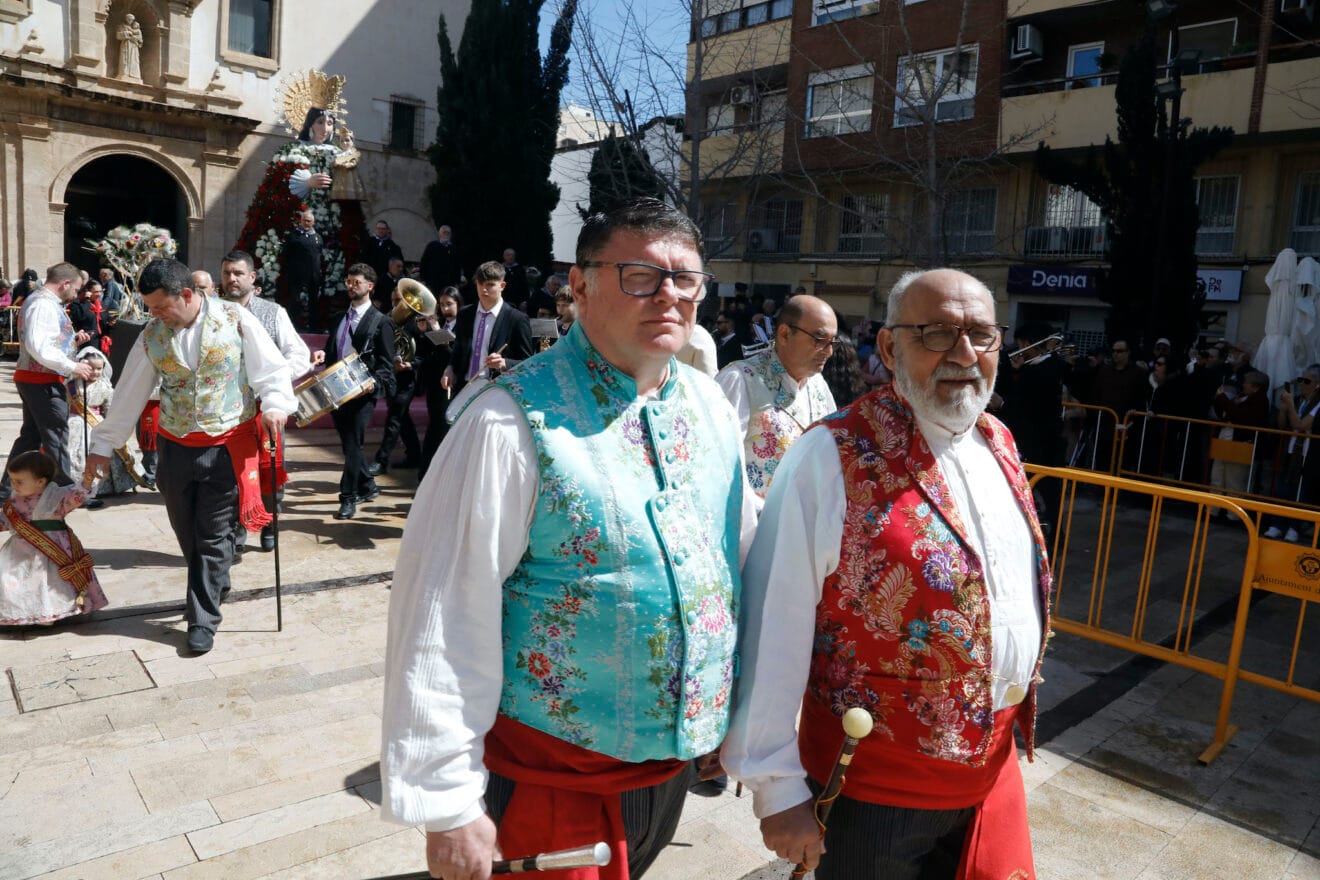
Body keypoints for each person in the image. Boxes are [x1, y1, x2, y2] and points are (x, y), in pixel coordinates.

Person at [381, 198, 756, 880]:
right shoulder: (507, 422)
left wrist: (734, 715)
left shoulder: (713, 410)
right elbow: (441, 612)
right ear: (579, 286)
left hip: (670, 773)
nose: (669, 294)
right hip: (549, 777)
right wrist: (447, 802)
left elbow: (734, 566)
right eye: (640, 274)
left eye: (687, 278)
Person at [725, 268, 1051, 880]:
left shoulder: (999, 440)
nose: (963, 354)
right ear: (889, 346)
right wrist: (776, 786)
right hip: (873, 791)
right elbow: (775, 624)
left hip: (989, 773)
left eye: (981, 335)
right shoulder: (831, 455)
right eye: (936, 334)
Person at [86, 258, 295, 654]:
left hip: (225, 444)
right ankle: (215, 581)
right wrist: (102, 446)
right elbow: (130, 392)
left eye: (161, 306)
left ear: (186, 294)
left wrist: (274, 405)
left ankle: (202, 619)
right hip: (175, 445)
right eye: (150, 308)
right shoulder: (153, 334)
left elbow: (271, 370)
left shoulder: (235, 319)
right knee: (186, 530)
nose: (156, 315)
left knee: (212, 533)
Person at [220, 249, 313, 550]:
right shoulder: (213, 312)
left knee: (270, 467)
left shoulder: (273, 313)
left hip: (265, 409)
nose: (231, 279)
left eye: (237, 273)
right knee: (231, 472)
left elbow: (298, 354)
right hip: (226, 410)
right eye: (226, 273)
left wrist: (275, 381)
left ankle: (271, 521)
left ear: (252, 277)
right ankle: (237, 529)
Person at [716, 294, 838, 500]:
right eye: (819, 340)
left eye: (833, 342)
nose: (829, 351)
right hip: (753, 524)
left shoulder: (818, 385)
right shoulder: (739, 380)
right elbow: (718, 465)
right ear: (784, 334)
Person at [1, 263, 99, 503]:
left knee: (31, 437)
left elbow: (46, 342)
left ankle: (5, 491)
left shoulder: (43, 302)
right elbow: (38, 346)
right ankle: (65, 492)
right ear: (65, 284)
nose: (76, 295)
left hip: (38, 378)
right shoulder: (42, 304)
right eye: (75, 289)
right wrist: (73, 366)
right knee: (56, 436)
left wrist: (72, 342)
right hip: (42, 381)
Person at [313, 263, 395, 520]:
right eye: (348, 281)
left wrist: (372, 383)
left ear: (370, 286)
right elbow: (332, 350)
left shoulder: (382, 322)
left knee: (352, 446)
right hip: (336, 390)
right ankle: (368, 485)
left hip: (362, 394)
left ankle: (347, 498)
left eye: (356, 282)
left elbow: (386, 366)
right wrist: (322, 355)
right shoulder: (339, 317)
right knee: (351, 446)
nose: (350, 286)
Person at [0, 450, 109, 626]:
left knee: (48, 582)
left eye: (19, 481)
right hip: (21, 550)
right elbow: (6, 520)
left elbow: (75, 497)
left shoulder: (56, 497)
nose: (13, 485)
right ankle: (29, 612)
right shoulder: (15, 500)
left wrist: (86, 482)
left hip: (54, 549)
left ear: (40, 482)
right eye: (12, 480)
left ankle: (48, 613)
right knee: (15, 579)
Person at [442, 261, 534, 403]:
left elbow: (527, 363)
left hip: (496, 393)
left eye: (490, 284)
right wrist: (450, 368)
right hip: (464, 387)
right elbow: (458, 350)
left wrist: (504, 363)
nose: (484, 289)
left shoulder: (517, 319)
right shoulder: (465, 314)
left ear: (502, 286)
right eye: (480, 283)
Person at [67, 346, 140, 499]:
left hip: (97, 424)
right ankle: (75, 485)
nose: (95, 372)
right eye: (91, 368)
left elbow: (110, 410)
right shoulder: (72, 385)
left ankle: (101, 487)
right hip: (74, 423)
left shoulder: (106, 387)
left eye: (99, 369)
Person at [369, 284, 424, 475]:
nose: (397, 304)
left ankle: (381, 460)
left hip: (407, 378)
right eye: (394, 300)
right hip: (390, 376)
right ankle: (416, 454)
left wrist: (411, 364)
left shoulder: (416, 322)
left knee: (394, 417)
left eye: (401, 300)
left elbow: (424, 353)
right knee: (401, 417)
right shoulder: (385, 320)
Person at [417, 286, 461, 478]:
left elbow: (454, 355)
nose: (445, 309)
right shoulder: (442, 324)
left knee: (442, 427)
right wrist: (423, 333)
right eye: (442, 305)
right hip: (434, 382)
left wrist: (437, 333)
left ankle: (433, 472)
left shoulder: (462, 326)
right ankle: (425, 472)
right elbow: (427, 354)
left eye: (449, 304)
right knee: (434, 424)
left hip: (450, 384)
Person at [283, 209, 323, 329]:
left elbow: (319, 254)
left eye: (309, 221)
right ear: (300, 221)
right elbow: (286, 254)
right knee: (295, 301)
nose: (307, 223)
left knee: (314, 302)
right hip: (297, 276)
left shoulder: (317, 237)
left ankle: (314, 326)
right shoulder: (293, 236)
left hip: (313, 276)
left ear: (313, 222)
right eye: (305, 221)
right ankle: (293, 326)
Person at [67, 280, 107, 355]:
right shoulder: (77, 304)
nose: (99, 294)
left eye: (100, 291)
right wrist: (86, 300)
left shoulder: (99, 304)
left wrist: (111, 323)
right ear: (87, 291)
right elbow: (81, 316)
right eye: (96, 292)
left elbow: (103, 322)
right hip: (83, 342)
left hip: (97, 342)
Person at [420, 224, 462, 292]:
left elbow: (457, 267)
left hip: (449, 284)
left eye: (448, 233)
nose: (446, 234)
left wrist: (457, 283)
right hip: (433, 282)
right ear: (440, 234)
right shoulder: (432, 246)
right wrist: (423, 280)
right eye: (444, 232)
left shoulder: (453, 249)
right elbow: (423, 263)